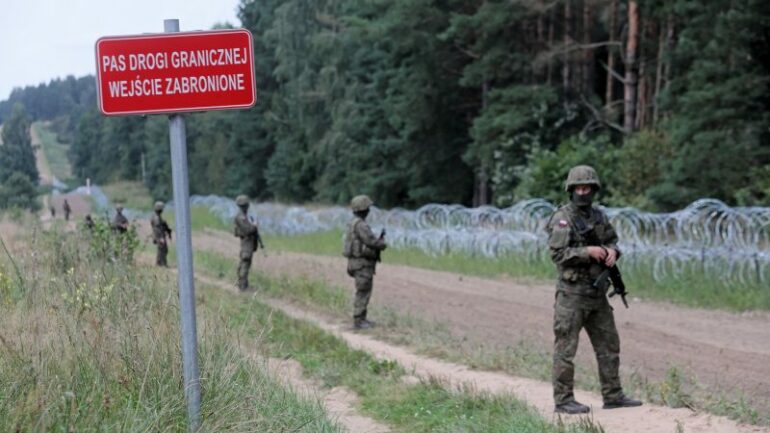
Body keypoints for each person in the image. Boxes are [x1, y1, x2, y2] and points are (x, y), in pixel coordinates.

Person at [546, 165, 642, 414]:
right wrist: (587, 251)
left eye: (587, 187)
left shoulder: (599, 216)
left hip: (597, 293)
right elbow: (558, 254)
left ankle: (613, 395)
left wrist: (612, 252)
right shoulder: (562, 218)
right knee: (566, 349)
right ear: (571, 189)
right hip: (572, 294)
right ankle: (564, 400)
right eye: (579, 187)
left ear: (594, 189)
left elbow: (612, 240)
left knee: (609, 345)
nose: (583, 191)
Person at [343, 195, 386, 330]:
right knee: (363, 291)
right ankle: (359, 320)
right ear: (364, 210)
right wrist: (382, 244)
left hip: (355, 262)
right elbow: (371, 241)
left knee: (363, 290)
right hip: (362, 263)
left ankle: (361, 318)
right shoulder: (361, 225)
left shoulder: (352, 223)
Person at [233, 195, 261, 291]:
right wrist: (255, 226)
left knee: (245, 263)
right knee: (245, 263)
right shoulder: (241, 217)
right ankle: (243, 286)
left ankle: (243, 284)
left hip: (248, 243)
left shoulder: (244, 216)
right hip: (246, 244)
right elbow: (247, 230)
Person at [150, 201, 172, 267]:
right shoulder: (156, 217)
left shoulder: (157, 216)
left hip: (159, 235)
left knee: (162, 249)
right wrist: (161, 238)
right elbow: (157, 229)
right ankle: (162, 263)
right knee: (162, 249)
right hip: (159, 236)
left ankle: (160, 263)